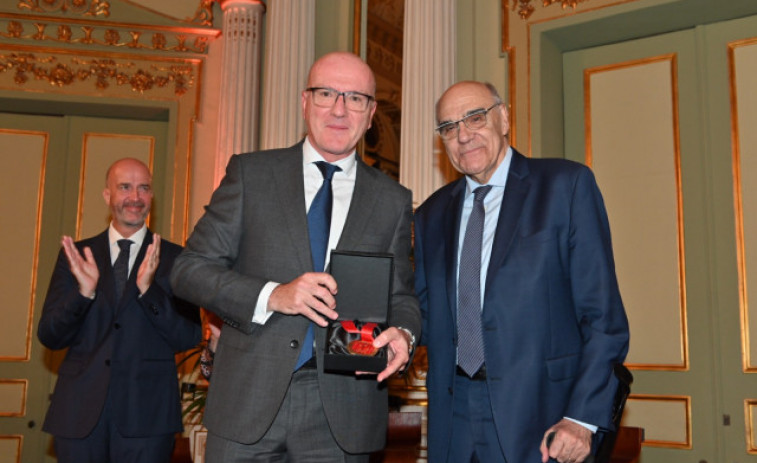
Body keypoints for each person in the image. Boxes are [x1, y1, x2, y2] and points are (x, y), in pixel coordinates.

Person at [170, 51, 420, 462]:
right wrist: (274, 295)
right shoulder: (251, 174)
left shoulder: (392, 200)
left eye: (355, 98)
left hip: (343, 413)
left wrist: (405, 335)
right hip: (247, 401)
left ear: (371, 113)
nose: (340, 109)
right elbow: (188, 271)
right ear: (305, 102)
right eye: (326, 93)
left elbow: (402, 297)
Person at [413, 81, 630, 463]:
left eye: (475, 118)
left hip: (543, 416)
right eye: (449, 127)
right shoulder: (430, 215)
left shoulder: (565, 187)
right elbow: (426, 316)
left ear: (504, 118)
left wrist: (582, 417)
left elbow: (603, 318)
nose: (463, 136)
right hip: (453, 418)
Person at [37, 158, 201, 463]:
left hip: (148, 418)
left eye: (144, 188)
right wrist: (83, 293)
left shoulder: (179, 259)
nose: (135, 197)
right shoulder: (76, 257)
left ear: (152, 197)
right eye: (124, 187)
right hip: (78, 414)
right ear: (107, 195)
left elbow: (188, 337)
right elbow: (49, 335)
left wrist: (148, 291)